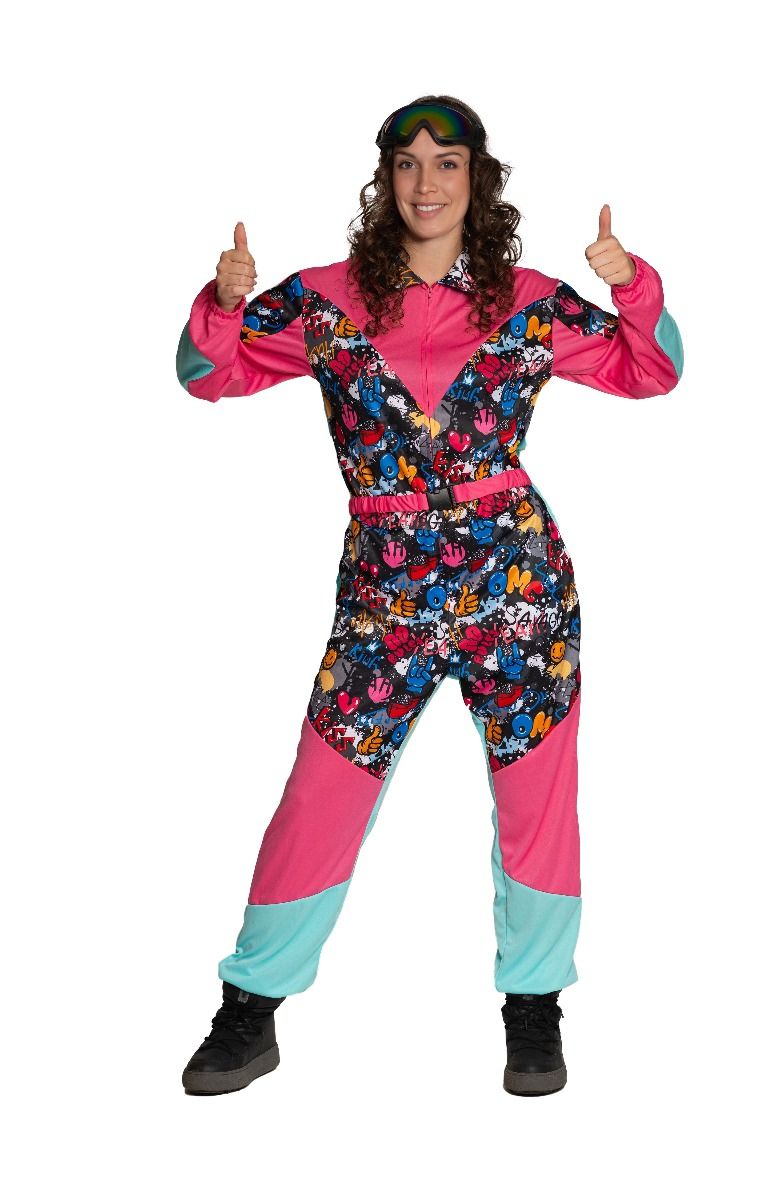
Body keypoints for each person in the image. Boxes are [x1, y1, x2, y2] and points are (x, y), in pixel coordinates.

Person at [174, 95, 684, 1098]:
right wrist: (222, 302)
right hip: (384, 599)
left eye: (445, 163)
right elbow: (205, 373)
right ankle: (250, 1008)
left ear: (476, 179)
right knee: (320, 795)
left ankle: (533, 1009)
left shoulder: (529, 302)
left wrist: (633, 286)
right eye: (406, 163)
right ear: (384, 181)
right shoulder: (319, 301)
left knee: (537, 799)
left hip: (517, 587)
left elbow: (651, 370)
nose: (425, 183)